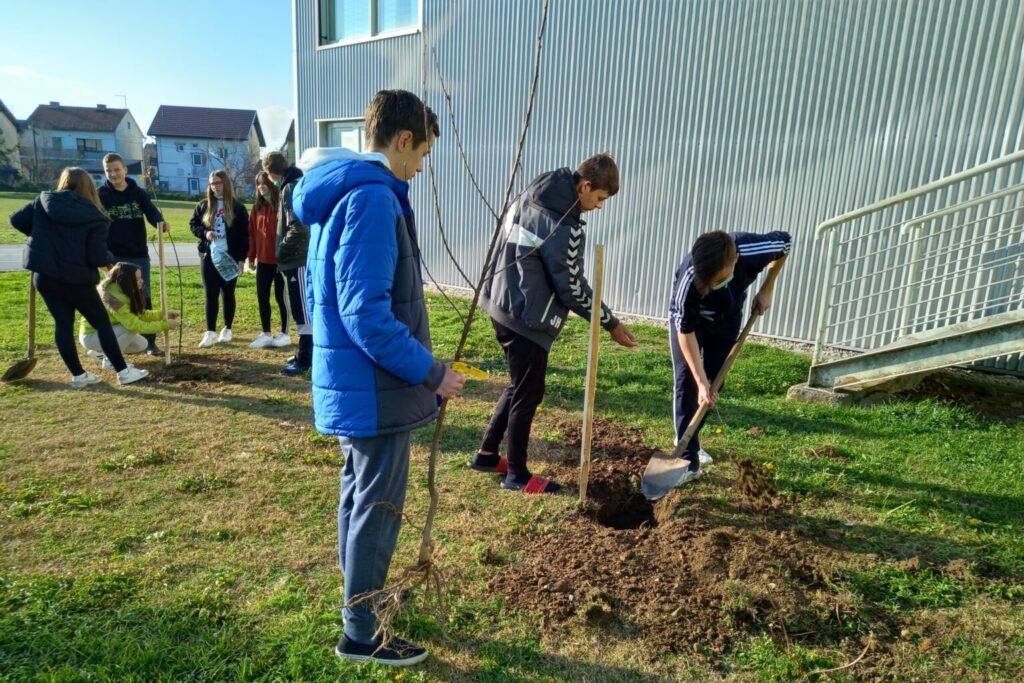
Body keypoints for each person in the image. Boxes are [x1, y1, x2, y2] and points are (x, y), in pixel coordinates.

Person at [292, 89, 464, 666]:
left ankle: (358, 604)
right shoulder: (370, 198)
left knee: (358, 494)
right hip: (374, 389)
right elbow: (365, 312)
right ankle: (361, 632)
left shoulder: (343, 193)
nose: (420, 168)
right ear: (402, 140)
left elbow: (318, 297)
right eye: (422, 155)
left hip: (360, 385)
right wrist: (432, 373)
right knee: (378, 504)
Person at [469, 154, 637, 494]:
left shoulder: (534, 191)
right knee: (528, 394)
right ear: (585, 185)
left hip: (501, 301)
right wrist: (610, 323)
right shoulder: (564, 224)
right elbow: (572, 287)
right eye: (599, 198)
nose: (599, 207)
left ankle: (487, 454)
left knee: (518, 385)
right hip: (527, 316)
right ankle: (517, 474)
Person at [667, 230, 791, 483]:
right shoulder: (690, 279)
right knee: (688, 382)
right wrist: (699, 380)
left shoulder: (755, 251)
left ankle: (691, 436)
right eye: (708, 282)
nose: (712, 287)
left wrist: (768, 287)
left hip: (727, 317)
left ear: (735, 259)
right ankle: (687, 460)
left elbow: (786, 243)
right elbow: (686, 331)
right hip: (691, 320)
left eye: (718, 280)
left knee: (714, 384)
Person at [9, 167, 149, 387]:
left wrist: (42, 236)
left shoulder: (43, 201)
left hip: (45, 277)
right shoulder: (96, 216)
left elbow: (17, 220)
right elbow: (97, 256)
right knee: (101, 323)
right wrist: (109, 257)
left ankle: (78, 376)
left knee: (63, 324)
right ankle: (123, 372)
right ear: (89, 187)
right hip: (76, 279)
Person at [98, 152, 170, 355]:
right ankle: (115, 342)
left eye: (117, 170)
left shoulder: (138, 193)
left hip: (138, 253)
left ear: (125, 170)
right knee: (115, 298)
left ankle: (149, 342)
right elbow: (96, 225)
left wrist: (160, 222)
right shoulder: (101, 195)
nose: (113, 174)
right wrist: (102, 255)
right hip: (113, 257)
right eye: (109, 171)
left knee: (142, 295)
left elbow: (151, 212)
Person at [262, 151, 311, 375]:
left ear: (270, 172)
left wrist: (281, 252)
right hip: (294, 259)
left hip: (297, 259)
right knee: (300, 307)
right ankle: (305, 352)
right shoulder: (289, 185)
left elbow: (299, 226)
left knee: (303, 309)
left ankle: (306, 359)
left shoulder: (291, 187)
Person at [189, 170, 249, 348]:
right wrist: (205, 233)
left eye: (219, 183)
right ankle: (210, 332)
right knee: (210, 293)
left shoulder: (238, 207)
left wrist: (241, 259)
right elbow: (194, 225)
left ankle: (227, 329)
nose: (215, 186)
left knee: (228, 293)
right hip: (209, 257)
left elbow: (245, 236)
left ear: (226, 184)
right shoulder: (203, 205)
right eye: (212, 183)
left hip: (230, 258)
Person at [79, 262, 180, 366]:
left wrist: (163, 314)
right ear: (127, 281)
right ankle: (111, 361)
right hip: (91, 336)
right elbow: (135, 325)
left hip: (107, 332)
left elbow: (140, 315)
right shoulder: (114, 300)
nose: (142, 281)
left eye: (140, 278)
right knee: (130, 328)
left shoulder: (122, 290)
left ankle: (100, 352)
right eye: (137, 279)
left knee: (141, 345)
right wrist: (165, 325)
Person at [247, 171, 290, 349]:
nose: (261, 187)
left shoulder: (282, 204)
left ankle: (285, 334)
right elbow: (252, 235)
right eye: (258, 184)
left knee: (281, 298)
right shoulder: (256, 208)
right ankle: (265, 333)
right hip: (263, 261)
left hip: (281, 262)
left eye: (264, 183)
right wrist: (251, 257)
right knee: (262, 296)